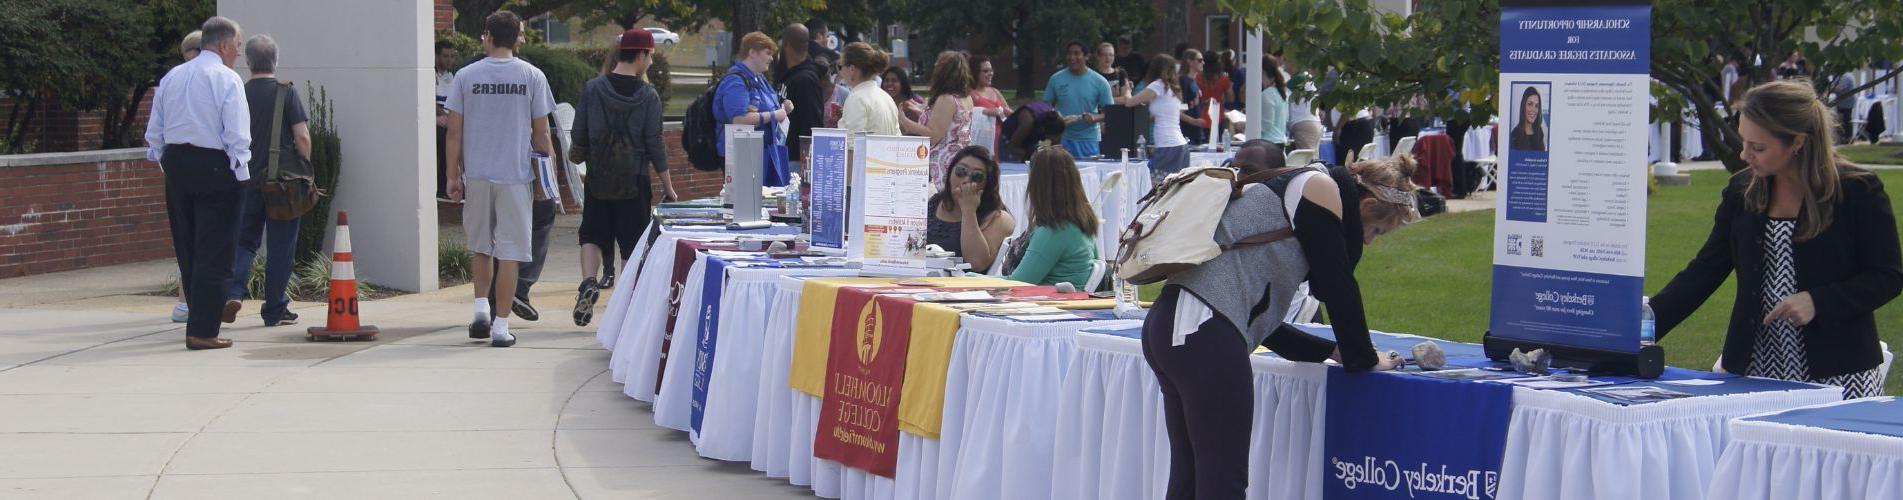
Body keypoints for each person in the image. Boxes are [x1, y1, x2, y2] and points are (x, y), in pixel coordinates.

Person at [1143, 140, 1419, 498]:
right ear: (1365, 205)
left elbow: (1261, 322)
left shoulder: (1296, 190)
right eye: (1377, 231)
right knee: (1222, 483)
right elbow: (1338, 287)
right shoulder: (1319, 189)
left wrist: (1333, 351)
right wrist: (1362, 357)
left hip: (1172, 326)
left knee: (1191, 476)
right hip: (1202, 331)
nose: (1369, 242)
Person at [1650, 80, 1901, 399]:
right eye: (1744, 142)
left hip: (1839, 372)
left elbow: (1888, 276)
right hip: (1753, 368)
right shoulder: (1742, 192)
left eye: (1758, 147)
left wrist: (1818, 301)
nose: (1744, 155)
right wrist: (1641, 329)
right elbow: (1704, 271)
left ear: (1797, 142)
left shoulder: (1858, 191)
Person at [445, 11, 555, 347]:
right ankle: (500, 326)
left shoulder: (465, 76)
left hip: (477, 174)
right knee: (510, 253)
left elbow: (453, 132)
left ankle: (480, 309)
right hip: (515, 176)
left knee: (481, 246)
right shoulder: (532, 76)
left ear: (488, 35)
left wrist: (452, 175)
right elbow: (541, 133)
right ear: (517, 37)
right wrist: (545, 176)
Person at [147, 16, 250, 350]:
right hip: (215, 164)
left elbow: (155, 132)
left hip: (177, 163)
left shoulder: (172, 76)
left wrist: (167, 162)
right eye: (237, 45)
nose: (237, 52)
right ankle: (204, 331)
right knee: (216, 249)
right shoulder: (226, 78)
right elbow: (236, 132)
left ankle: (198, 321)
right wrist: (241, 170)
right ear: (222, 45)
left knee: (188, 246)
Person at [568, 28, 674, 327]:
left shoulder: (593, 88)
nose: (651, 62)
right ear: (640, 55)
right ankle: (623, 308)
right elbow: (655, 144)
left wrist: (583, 155)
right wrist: (668, 186)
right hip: (634, 180)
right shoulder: (648, 95)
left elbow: (578, 134)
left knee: (591, 234)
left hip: (599, 178)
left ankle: (588, 282)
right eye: (650, 56)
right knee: (632, 245)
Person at [225, 34, 309, 328]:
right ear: (276, 60)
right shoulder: (286, 92)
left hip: (244, 181)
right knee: (280, 246)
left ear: (247, 62)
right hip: (281, 185)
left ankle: (233, 292)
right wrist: (305, 166)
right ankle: (275, 309)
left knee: (244, 241)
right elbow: (302, 136)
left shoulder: (236, 92)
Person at [1002, 147, 1100, 289]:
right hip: (1068, 302)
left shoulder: (1053, 231)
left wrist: (970, 278)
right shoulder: (1081, 223)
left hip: (1047, 305)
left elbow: (1019, 283)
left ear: (1037, 185)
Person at [716, 32, 794, 187]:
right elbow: (739, 120)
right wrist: (773, 114)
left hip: (763, 151)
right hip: (742, 155)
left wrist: (783, 108)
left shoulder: (759, 78)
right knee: (747, 206)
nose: (771, 58)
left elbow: (765, 109)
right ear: (752, 52)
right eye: (768, 53)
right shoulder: (736, 81)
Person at [926, 146, 1015, 271]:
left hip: (963, 286)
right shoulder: (934, 202)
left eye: (977, 176)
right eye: (961, 171)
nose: (966, 180)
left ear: (987, 184)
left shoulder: (999, 218)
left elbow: (976, 263)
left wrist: (969, 210)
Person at [1113, 54, 1194, 184]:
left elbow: (1129, 102)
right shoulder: (1173, 88)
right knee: (1176, 191)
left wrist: (1127, 90)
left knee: (1157, 190)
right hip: (1180, 145)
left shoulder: (1158, 85)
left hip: (1167, 146)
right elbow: (1155, 116)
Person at [171, 29, 204, 324]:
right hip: (206, 168)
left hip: (176, 169)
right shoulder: (211, 78)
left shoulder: (171, 79)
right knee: (202, 238)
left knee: (186, 238)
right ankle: (189, 302)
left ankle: (186, 302)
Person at [906, 51, 977, 185]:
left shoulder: (946, 99)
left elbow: (934, 135)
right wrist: (923, 111)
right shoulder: (966, 98)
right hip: (961, 157)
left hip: (944, 161)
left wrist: (906, 122)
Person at [1044, 41, 1115, 158]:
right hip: (1062, 139)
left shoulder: (1099, 82)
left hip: (1088, 140)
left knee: (1087, 174)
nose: (1072, 57)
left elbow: (1111, 113)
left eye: (1077, 54)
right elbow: (1045, 107)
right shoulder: (1056, 79)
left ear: (1086, 56)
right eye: (1069, 54)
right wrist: (1055, 116)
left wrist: (1094, 117)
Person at [775, 24, 826, 173]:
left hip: (796, 161)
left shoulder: (806, 80)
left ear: (786, 44)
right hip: (784, 154)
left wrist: (806, 167)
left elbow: (812, 124)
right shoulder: (787, 75)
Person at [837, 42, 901, 136]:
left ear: (852, 69)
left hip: (870, 151)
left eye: (841, 66)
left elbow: (852, 145)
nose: (840, 71)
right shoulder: (887, 97)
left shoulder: (856, 99)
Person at [1000, 102, 1064, 162]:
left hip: (1032, 139)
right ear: (1043, 130)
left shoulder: (1057, 121)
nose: (1053, 141)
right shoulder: (1027, 122)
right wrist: (1034, 156)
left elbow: (1054, 146)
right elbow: (1012, 148)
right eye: (1051, 138)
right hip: (1009, 139)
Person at [969, 55, 1010, 147]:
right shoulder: (969, 94)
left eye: (991, 70)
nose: (990, 73)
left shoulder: (995, 91)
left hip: (1002, 142)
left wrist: (1011, 113)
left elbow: (1008, 111)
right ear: (974, 73)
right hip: (982, 143)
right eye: (986, 71)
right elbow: (964, 115)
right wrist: (985, 112)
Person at [1285, 62, 1325, 151]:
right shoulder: (1307, 77)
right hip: (1310, 123)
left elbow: (1280, 91)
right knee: (1311, 158)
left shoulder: (1299, 78)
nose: (1284, 65)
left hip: (1304, 124)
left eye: (1286, 61)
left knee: (1306, 161)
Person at [436, 40, 458, 199]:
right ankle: (442, 187)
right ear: (436, 56)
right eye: (445, 56)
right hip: (436, 120)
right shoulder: (430, 74)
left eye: (451, 56)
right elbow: (429, 100)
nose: (449, 60)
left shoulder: (453, 76)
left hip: (450, 119)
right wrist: (445, 115)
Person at [1196, 50, 1232, 140]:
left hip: (1200, 116)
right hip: (1218, 116)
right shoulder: (1223, 78)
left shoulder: (1197, 77)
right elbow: (1231, 98)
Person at [1257, 56, 1291, 147]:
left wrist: (1247, 124)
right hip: (1280, 140)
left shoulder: (1267, 94)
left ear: (1263, 72)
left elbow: (1266, 125)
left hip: (1269, 143)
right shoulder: (1282, 92)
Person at [1177, 49, 1207, 144]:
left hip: (1197, 131)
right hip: (1186, 131)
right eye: (1199, 60)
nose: (1203, 62)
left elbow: (1190, 104)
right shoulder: (1183, 81)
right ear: (1189, 61)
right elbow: (1179, 108)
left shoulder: (1193, 80)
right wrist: (1193, 121)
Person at [1510, 86, 1546, 152]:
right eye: (1530, 104)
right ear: (1523, 106)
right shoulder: (1514, 136)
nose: (1533, 110)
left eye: (1537, 106)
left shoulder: (1539, 131)